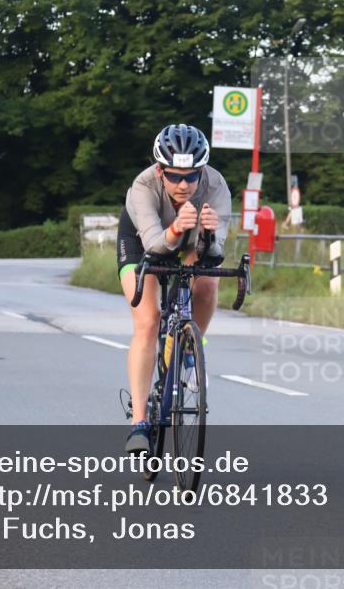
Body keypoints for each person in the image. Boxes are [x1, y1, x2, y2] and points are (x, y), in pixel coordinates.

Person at [119, 124, 231, 455]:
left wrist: (209, 237)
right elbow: (155, 245)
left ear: (201, 172)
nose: (184, 184)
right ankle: (139, 423)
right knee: (148, 320)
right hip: (143, 241)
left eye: (191, 176)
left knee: (208, 282)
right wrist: (175, 229)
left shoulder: (216, 185)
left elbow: (215, 252)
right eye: (174, 176)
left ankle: (187, 347)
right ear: (160, 170)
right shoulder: (144, 185)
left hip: (191, 239)